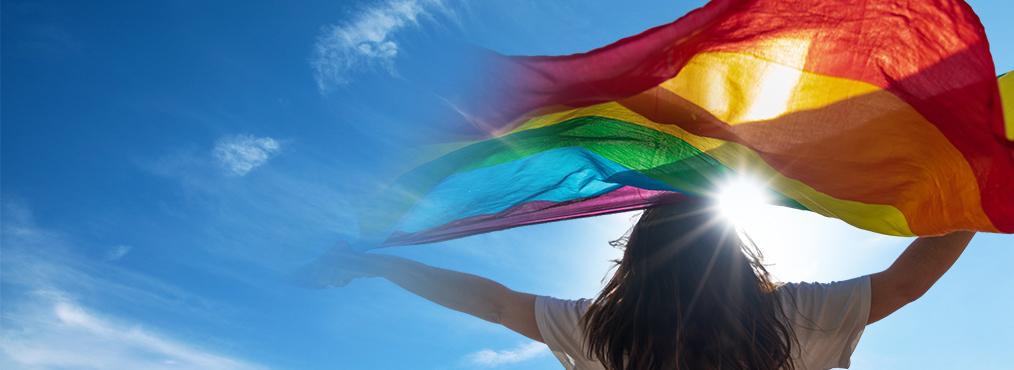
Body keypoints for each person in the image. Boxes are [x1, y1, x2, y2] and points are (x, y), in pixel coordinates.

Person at [297, 200, 974, 370]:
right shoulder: (794, 318)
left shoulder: (604, 334)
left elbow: (493, 301)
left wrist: (378, 262)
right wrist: (984, 202)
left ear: (634, 260)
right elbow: (908, 283)